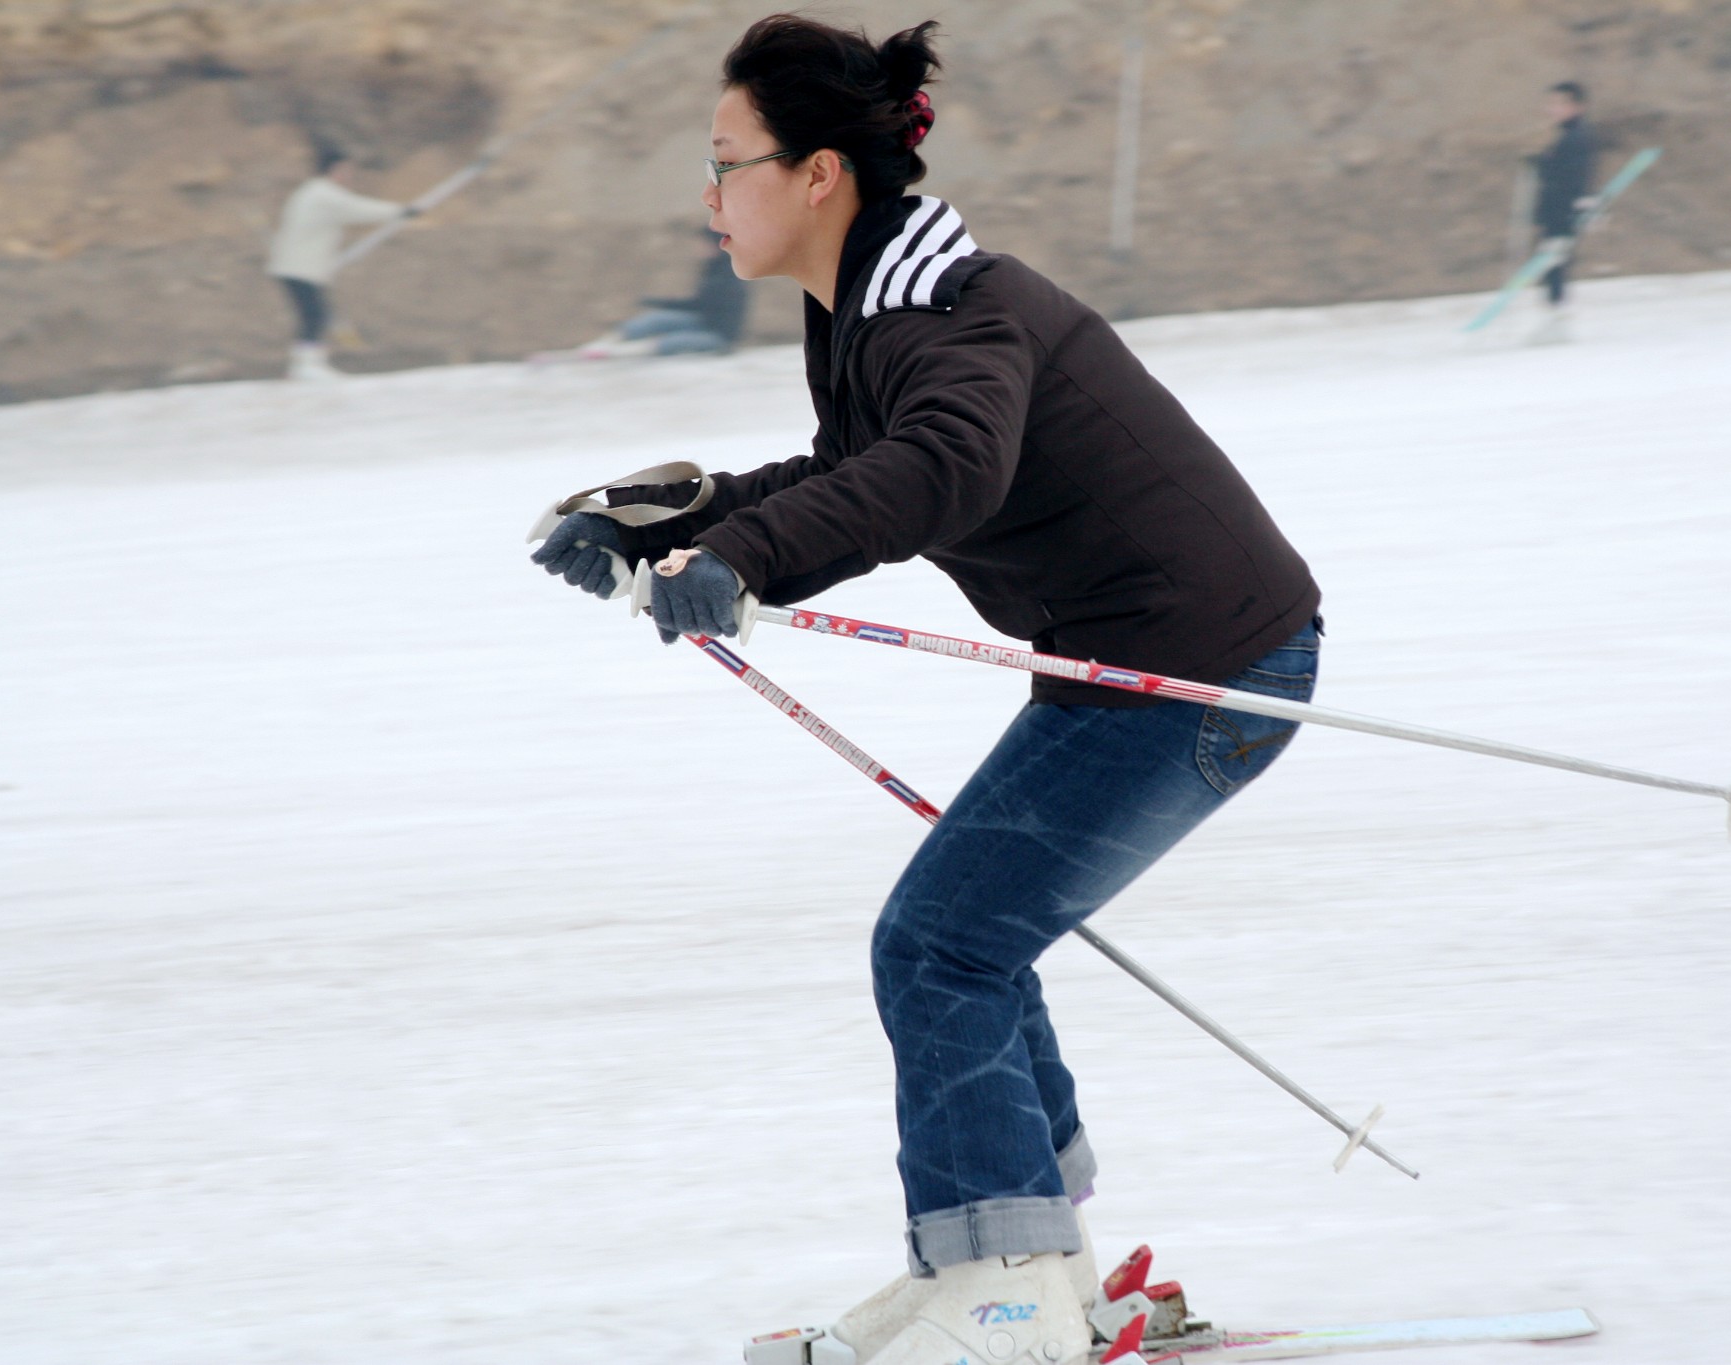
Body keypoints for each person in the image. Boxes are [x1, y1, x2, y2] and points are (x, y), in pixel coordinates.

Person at [530, 17, 1320, 1365]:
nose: (707, 195)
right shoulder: (877, 304)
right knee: (965, 934)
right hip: (1146, 659)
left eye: (727, 163)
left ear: (819, 172)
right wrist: (686, 525)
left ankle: (1004, 1282)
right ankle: (1036, 1263)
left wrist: (742, 552)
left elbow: (943, 465)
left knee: (940, 944)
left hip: (1198, 666)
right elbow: (861, 462)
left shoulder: (947, 312)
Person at [266, 147, 414, 380]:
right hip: (299, 267)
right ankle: (307, 366)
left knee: (313, 314)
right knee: (315, 314)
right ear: (334, 169)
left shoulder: (313, 192)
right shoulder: (323, 194)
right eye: (347, 170)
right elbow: (357, 209)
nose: (350, 175)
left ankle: (304, 364)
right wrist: (399, 211)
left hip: (295, 265)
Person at [559, 227, 748, 360]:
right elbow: (700, 305)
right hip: (701, 322)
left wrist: (663, 302)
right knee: (655, 320)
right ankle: (597, 347)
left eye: (702, 244)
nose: (697, 249)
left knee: (671, 342)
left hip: (718, 336)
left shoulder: (730, 273)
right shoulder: (712, 268)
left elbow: (704, 304)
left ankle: (617, 354)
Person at [1528, 81, 1598, 344]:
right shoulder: (1569, 135)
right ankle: (1554, 319)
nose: (1552, 109)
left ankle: (1558, 323)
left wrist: (1544, 166)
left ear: (1577, 106)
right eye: (1551, 103)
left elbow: (1572, 176)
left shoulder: (1577, 136)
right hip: (1556, 211)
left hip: (1562, 213)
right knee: (1551, 267)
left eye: (1559, 104)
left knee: (1554, 266)